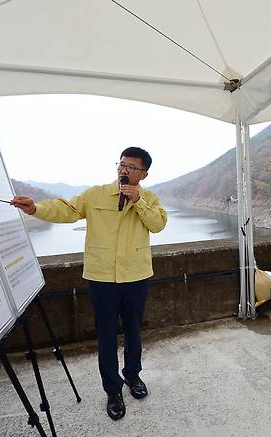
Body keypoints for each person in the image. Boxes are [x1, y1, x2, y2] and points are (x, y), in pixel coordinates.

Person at [12, 147, 167, 421]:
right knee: (106, 336)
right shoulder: (95, 194)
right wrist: (36, 208)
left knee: (134, 331)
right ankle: (113, 390)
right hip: (101, 278)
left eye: (132, 167)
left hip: (136, 277)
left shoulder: (150, 198)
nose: (124, 170)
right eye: (122, 164)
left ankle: (133, 376)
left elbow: (157, 225)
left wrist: (138, 201)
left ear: (143, 174)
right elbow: (67, 209)